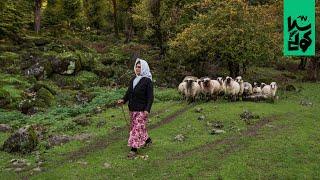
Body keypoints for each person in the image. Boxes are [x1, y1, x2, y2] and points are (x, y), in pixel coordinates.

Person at [117, 58, 154, 158]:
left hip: (142, 110)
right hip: (132, 109)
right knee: (138, 127)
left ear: (144, 68)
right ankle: (148, 140)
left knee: (136, 129)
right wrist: (123, 100)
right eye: (137, 67)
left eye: (140, 67)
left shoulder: (147, 81)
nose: (138, 69)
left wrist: (147, 109)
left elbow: (150, 97)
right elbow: (129, 93)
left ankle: (134, 149)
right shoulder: (133, 79)